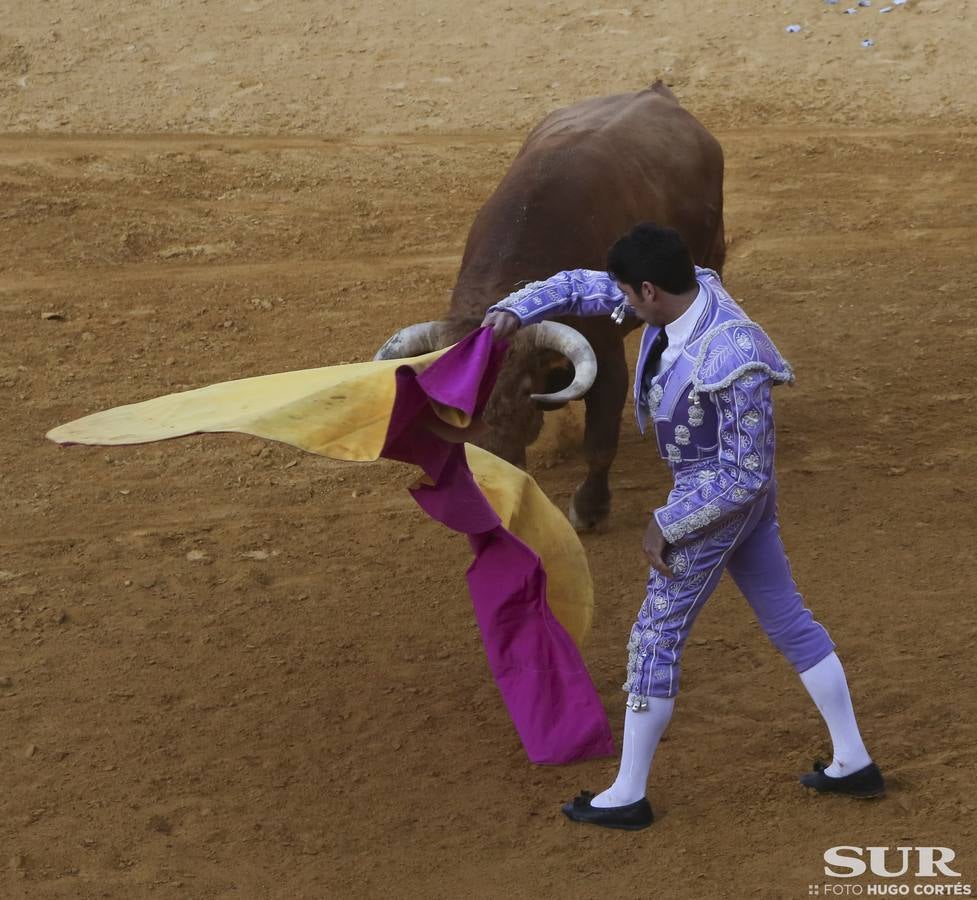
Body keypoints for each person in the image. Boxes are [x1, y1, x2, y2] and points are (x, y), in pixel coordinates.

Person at [481, 223, 884, 831]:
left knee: (654, 638)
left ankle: (627, 794)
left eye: (626, 293)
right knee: (787, 616)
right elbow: (577, 286)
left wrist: (669, 521)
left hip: (717, 498)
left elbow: (747, 473)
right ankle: (853, 761)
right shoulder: (681, 290)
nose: (617, 301)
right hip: (718, 493)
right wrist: (515, 308)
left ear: (649, 290)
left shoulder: (735, 354)